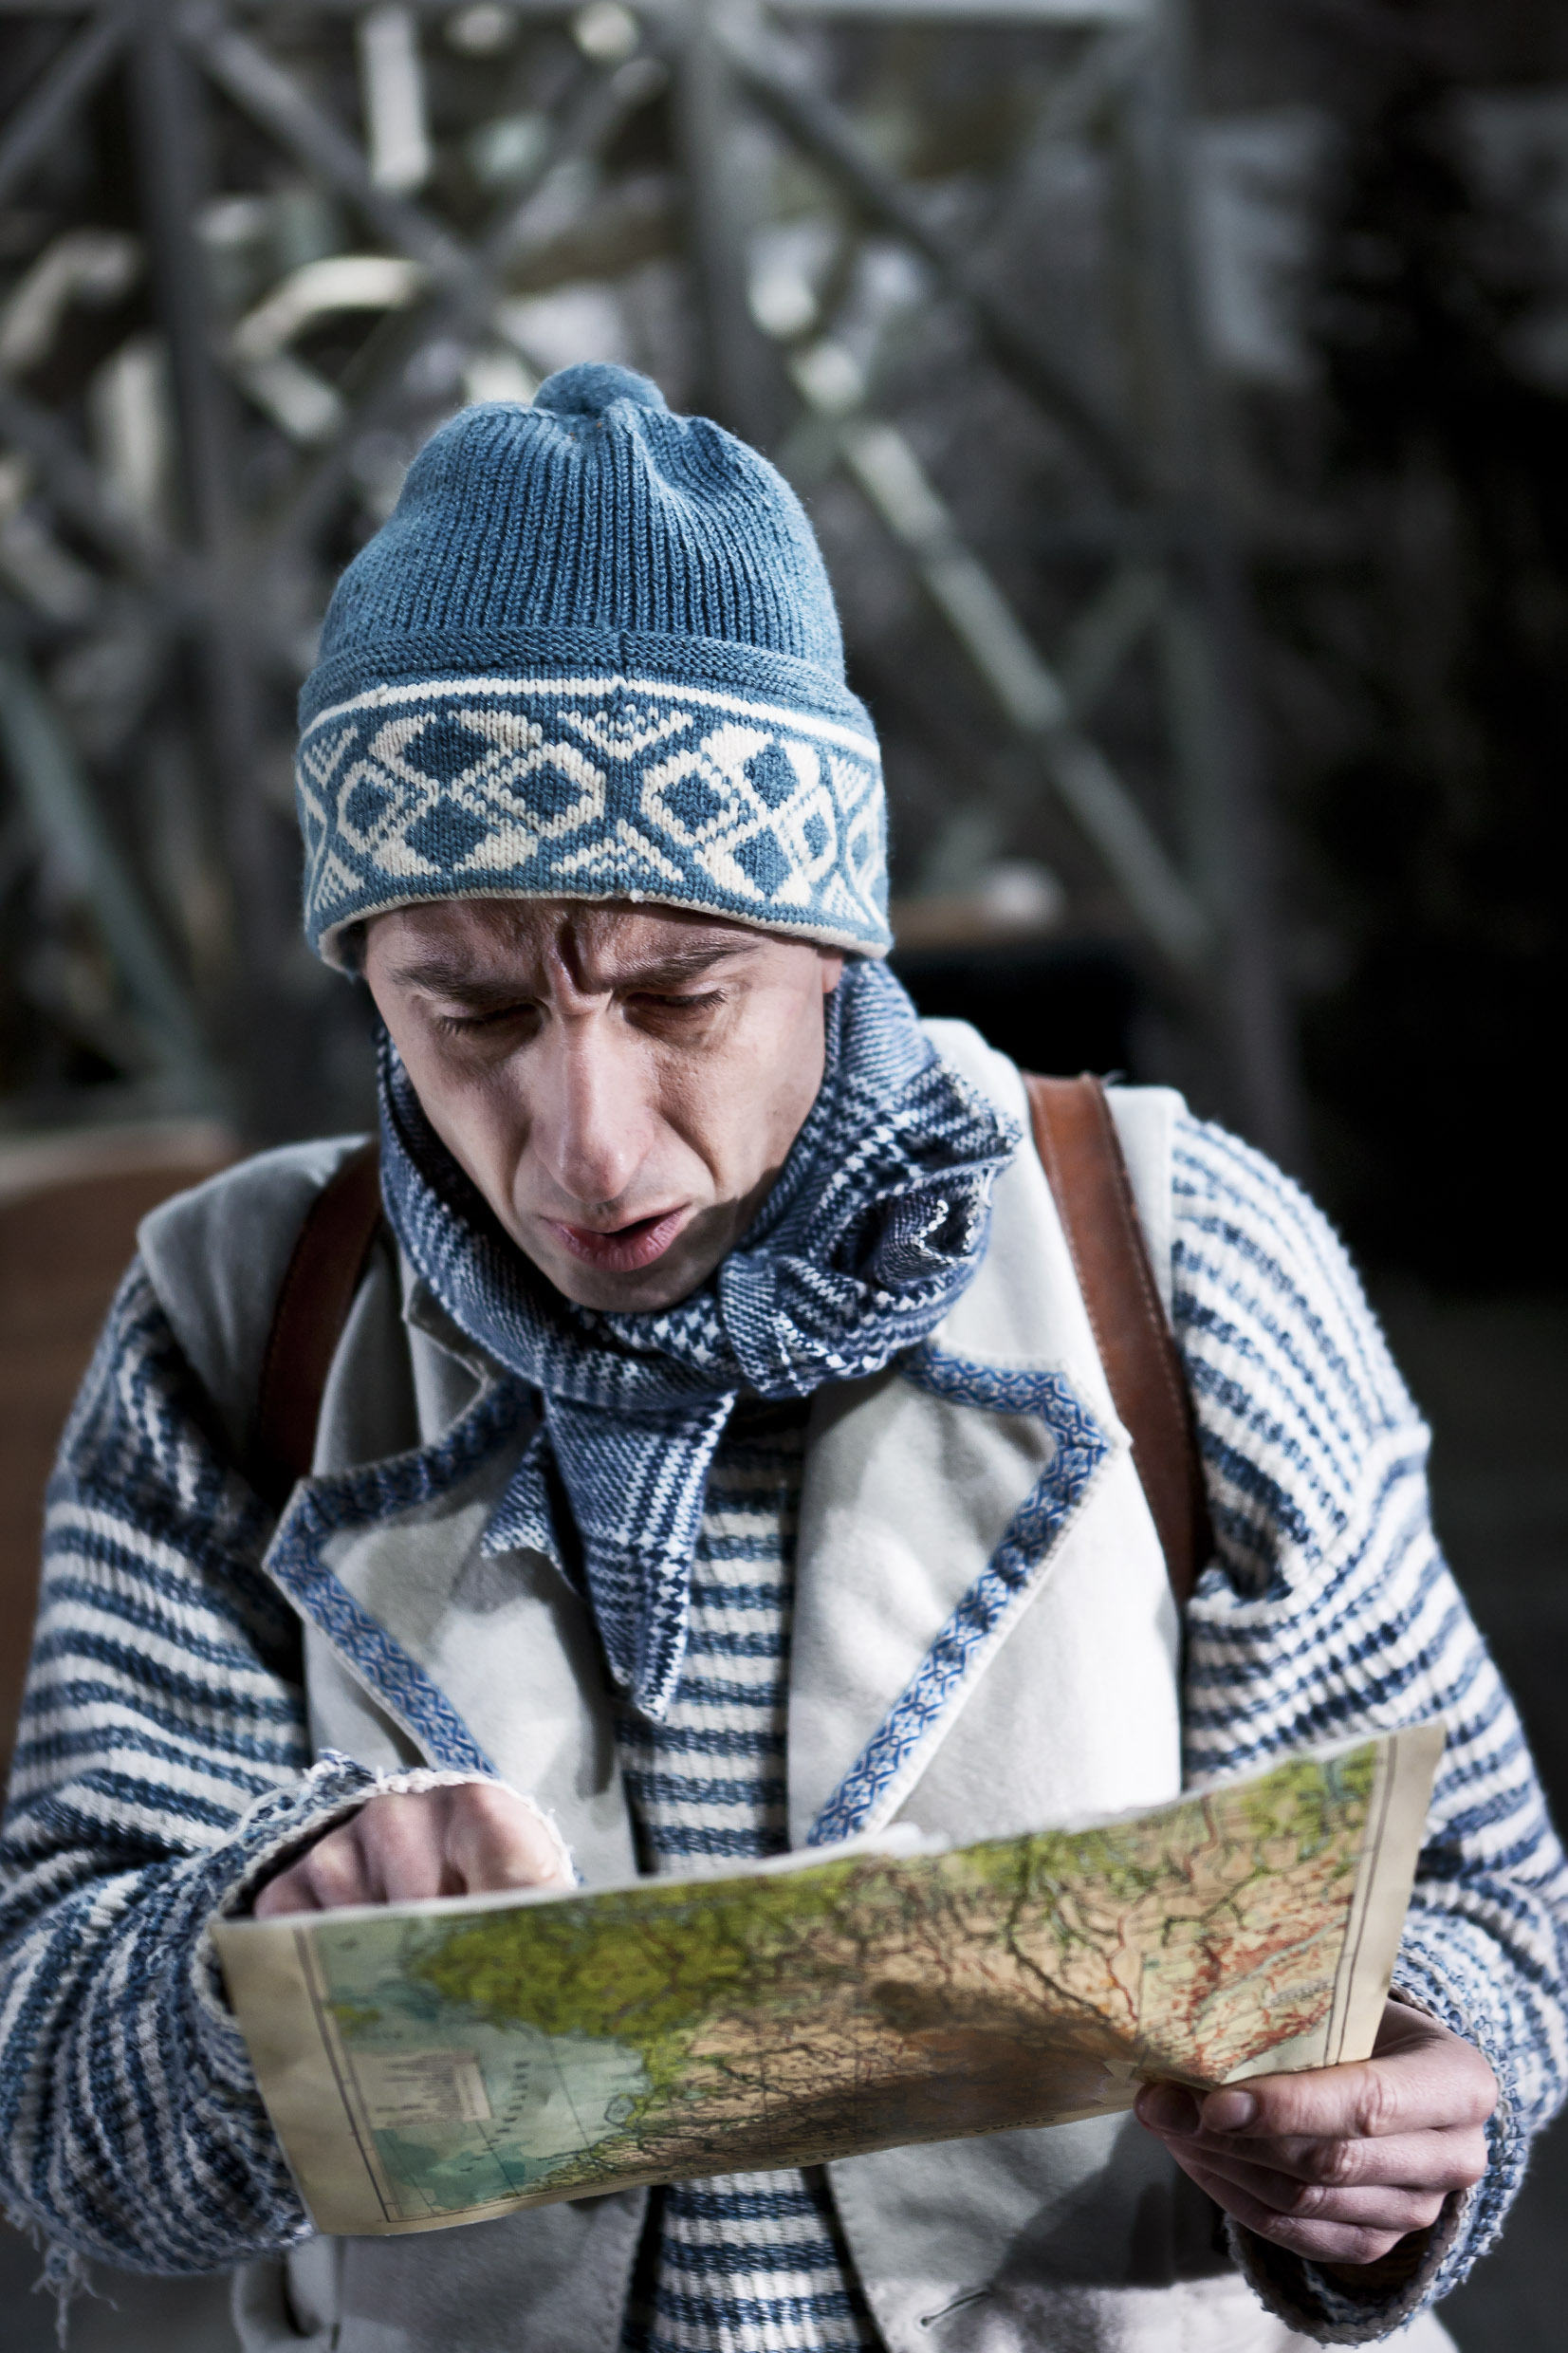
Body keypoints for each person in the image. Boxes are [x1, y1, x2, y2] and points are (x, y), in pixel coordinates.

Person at [0, 363, 1560, 2353]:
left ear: (831, 932)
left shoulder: (1182, 1264)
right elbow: (52, 2086)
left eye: (679, 992)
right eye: (465, 1011)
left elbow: (1475, 1919)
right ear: (363, 968)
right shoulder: (234, 1331)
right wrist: (245, 1956)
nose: (586, 1141)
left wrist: (1399, 2106)